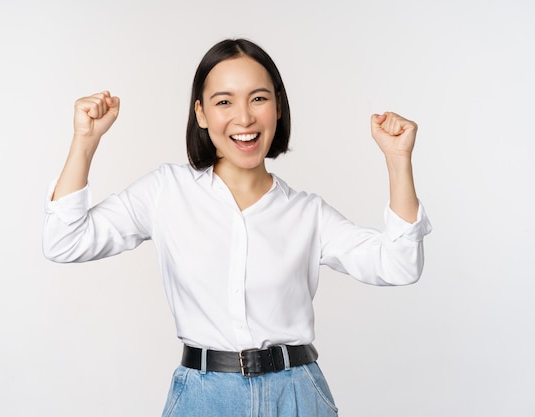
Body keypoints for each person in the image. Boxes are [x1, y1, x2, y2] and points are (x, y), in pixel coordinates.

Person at [43, 38, 432, 417]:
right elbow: (65, 241)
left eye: (258, 98)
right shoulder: (166, 192)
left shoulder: (307, 214)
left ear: (277, 107)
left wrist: (398, 159)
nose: (244, 118)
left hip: (296, 395)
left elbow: (398, 265)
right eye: (224, 101)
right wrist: (85, 141)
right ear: (200, 113)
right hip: (204, 397)